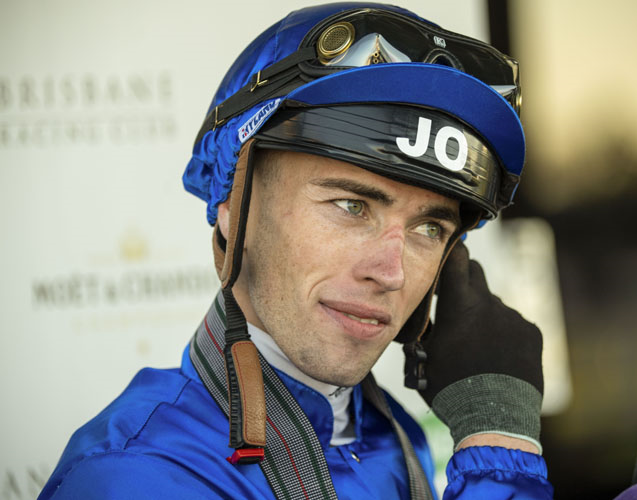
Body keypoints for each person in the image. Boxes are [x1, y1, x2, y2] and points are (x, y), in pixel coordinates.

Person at [39, 3, 553, 499]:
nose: (392, 272)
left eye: (429, 228)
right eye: (352, 206)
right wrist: (498, 445)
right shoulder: (136, 477)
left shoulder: (395, 437)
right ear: (231, 203)